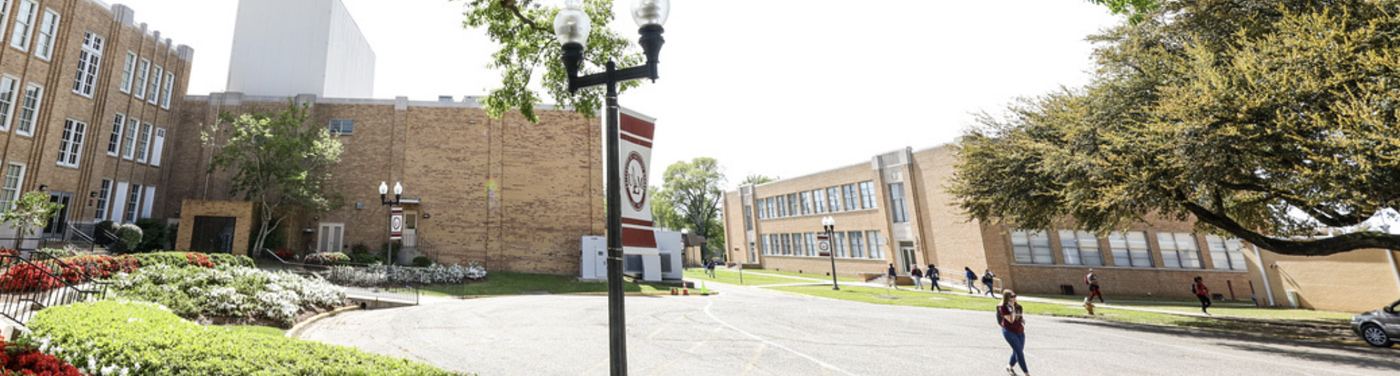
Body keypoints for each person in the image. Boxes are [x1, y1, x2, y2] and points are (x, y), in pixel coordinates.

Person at [998, 290, 1030, 376]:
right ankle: (1026, 373)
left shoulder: (1019, 306)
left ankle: (1010, 366)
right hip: (1009, 331)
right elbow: (1011, 320)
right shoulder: (1003, 307)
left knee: (1018, 350)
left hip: (1019, 331)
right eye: (1012, 296)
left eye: (1015, 296)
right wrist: (1012, 309)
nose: (1014, 298)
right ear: (1007, 298)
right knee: (1019, 352)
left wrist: (1022, 319)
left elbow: (1019, 316)